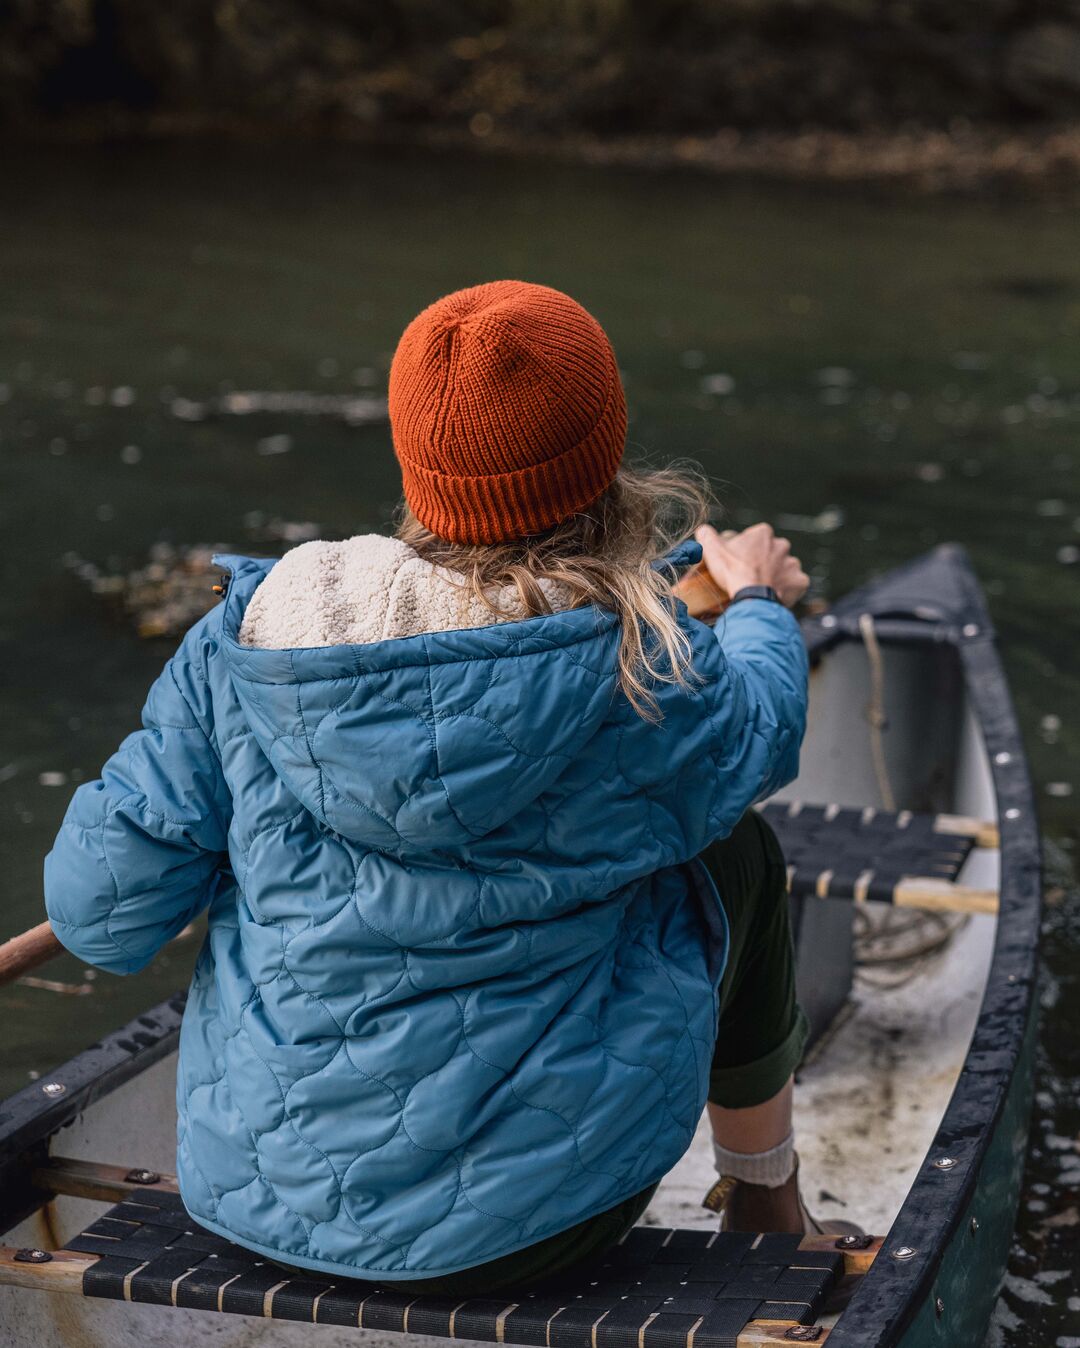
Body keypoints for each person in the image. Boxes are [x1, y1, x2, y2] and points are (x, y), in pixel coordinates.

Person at [43, 279, 835, 1296]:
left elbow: (103, 920)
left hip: (251, 1201)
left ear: (416, 461)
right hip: (539, 1226)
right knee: (732, 849)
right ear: (606, 456)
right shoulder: (648, 672)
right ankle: (766, 1194)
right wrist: (759, 602)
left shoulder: (247, 643)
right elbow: (764, 728)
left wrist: (243, 835)